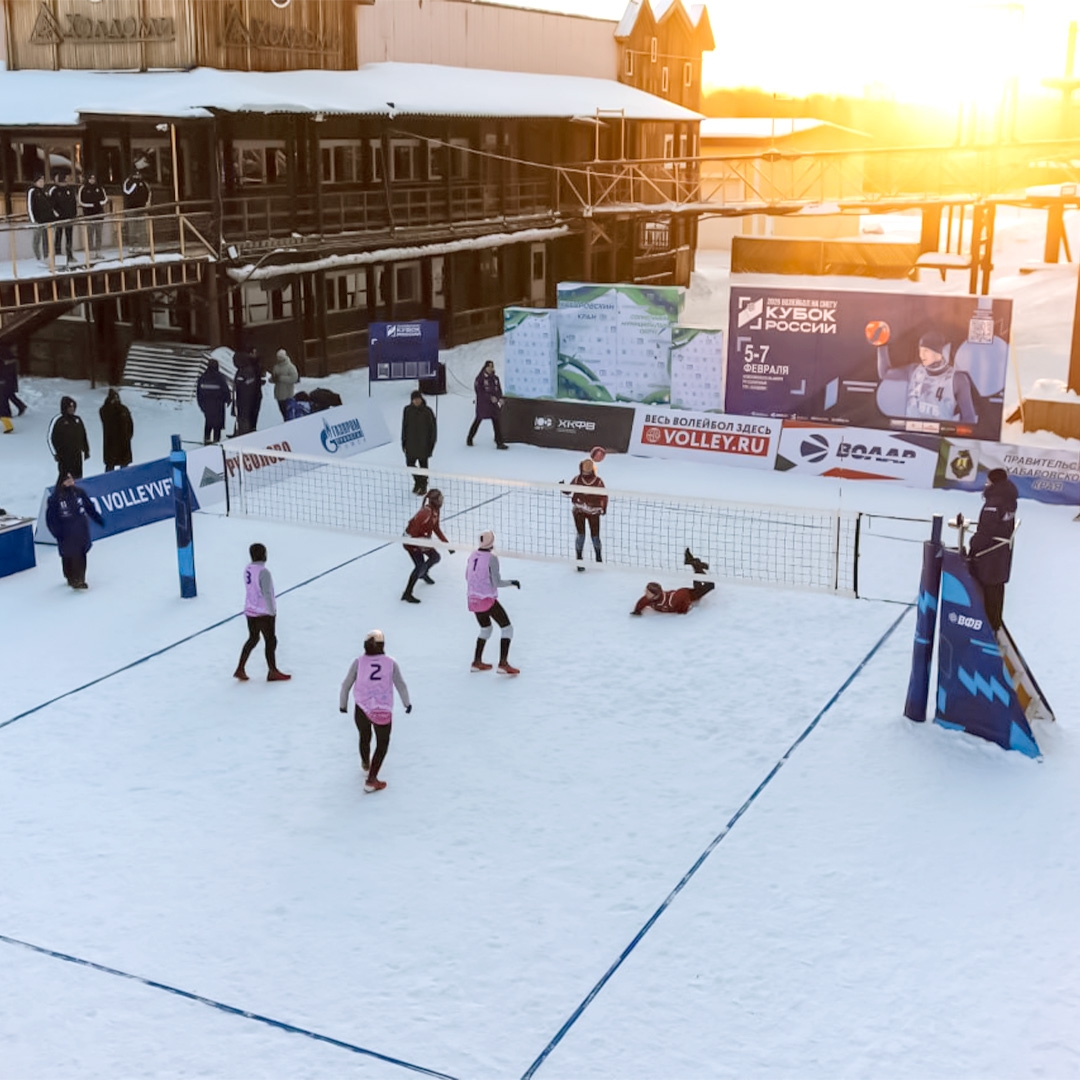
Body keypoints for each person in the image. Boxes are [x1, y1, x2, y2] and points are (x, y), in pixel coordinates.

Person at [338, 629, 412, 793]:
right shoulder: (390, 663)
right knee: (382, 743)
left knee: (364, 735)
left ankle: (365, 763)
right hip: (382, 708)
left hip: (362, 706)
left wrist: (343, 704)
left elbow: (346, 684)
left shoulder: (359, 662)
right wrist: (406, 703)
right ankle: (371, 779)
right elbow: (401, 684)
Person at [872, 325, 977, 424]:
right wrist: (881, 344)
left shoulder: (958, 379)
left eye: (926, 351)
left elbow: (969, 418)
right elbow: (884, 373)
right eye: (920, 351)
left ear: (938, 353)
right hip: (911, 435)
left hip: (940, 437)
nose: (921, 355)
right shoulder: (913, 371)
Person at [968, 467, 1018, 631]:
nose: (986, 483)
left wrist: (973, 545)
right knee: (996, 590)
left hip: (989, 557)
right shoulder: (1008, 499)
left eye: (988, 480)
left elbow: (986, 531)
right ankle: (994, 623)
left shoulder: (994, 502)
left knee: (987, 591)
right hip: (1001, 554)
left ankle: (986, 628)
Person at [234, 542, 291, 682]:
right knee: (270, 640)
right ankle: (273, 671)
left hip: (250, 610)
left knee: (253, 638)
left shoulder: (248, 569)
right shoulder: (264, 572)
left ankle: (240, 668)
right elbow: (266, 592)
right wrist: (272, 611)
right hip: (264, 612)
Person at [466, 530, 521, 674]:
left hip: (472, 600)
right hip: (486, 599)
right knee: (507, 628)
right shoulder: (492, 558)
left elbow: (467, 576)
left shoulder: (472, 555)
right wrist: (512, 582)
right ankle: (503, 664)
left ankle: (476, 662)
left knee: (486, 629)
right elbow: (496, 582)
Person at [45, 473, 104, 589]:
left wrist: (98, 518)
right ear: (62, 482)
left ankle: (79, 580)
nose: (71, 481)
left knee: (80, 555)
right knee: (69, 555)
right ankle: (70, 577)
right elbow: (51, 518)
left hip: (81, 530)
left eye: (72, 479)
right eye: (68, 480)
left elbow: (89, 507)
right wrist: (56, 532)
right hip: (66, 533)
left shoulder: (79, 492)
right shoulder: (55, 498)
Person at [631, 548, 715, 616]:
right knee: (701, 582)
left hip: (689, 595)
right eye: (646, 591)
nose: (645, 593)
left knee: (711, 585)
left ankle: (696, 565)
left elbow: (683, 597)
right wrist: (637, 611)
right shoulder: (649, 599)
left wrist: (683, 610)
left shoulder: (671, 601)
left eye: (647, 592)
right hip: (682, 595)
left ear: (655, 595)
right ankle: (695, 564)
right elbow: (641, 603)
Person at [402, 488, 451, 603]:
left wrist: (447, 544)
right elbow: (412, 527)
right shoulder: (425, 512)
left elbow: (436, 528)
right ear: (434, 501)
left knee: (435, 557)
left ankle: (423, 573)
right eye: (439, 499)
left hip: (420, 541)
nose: (442, 501)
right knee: (419, 566)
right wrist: (419, 542)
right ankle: (407, 594)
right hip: (411, 542)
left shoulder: (435, 511)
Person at [563, 457, 607, 570]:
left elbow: (567, 491)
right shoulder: (598, 482)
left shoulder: (577, 479)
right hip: (593, 512)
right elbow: (604, 496)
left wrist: (561, 486)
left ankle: (579, 560)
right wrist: (603, 509)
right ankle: (598, 559)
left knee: (581, 535)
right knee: (595, 536)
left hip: (579, 510)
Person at [402, 389, 437, 494]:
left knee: (423, 466)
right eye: (414, 399)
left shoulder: (427, 411)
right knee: (410, 464)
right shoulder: (407, 410)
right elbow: (404, 427)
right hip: (411, 444)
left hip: (424, 444)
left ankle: (423, 485)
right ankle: (418, 482)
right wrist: (403, 442)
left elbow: (433, 429)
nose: (416, 401)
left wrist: (431, 444)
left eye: (418, 399)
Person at [47, 396, 91, 480]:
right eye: (70, 407)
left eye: (73, 407)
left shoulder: (77, 420)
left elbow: (83, 436)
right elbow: (49, 438)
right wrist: (55, 454)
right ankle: (61, 492)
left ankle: (77, 492)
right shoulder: (58, 420)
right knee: (65, 477)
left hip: (77, 455)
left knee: (78, 477)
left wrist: (86, 450)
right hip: (64, 456)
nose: (72, 409)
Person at [466, 360, 507, 449]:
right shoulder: (480, 378)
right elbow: (479, 392)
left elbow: (498, 390)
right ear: (485, 367)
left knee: (496, 421)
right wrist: (489, 397)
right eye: (489, 366)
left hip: (493, 405)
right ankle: (469, 438)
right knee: (478, 421)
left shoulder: (495, 378)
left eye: (492, 366)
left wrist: (500, 398)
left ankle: (499, 442)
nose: (491, 368)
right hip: (483, 405)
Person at [196, 357, 231, 444]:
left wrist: (201, 405)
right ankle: (216, 440)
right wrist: (228, 400)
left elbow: (198, 393)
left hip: (206, 405)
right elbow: (225, 390)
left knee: (208, 422)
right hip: (218, 405)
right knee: (217, 424)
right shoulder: (219, 378)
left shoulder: (203, 377)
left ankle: (206, 439)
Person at [48, 169, 78, 266]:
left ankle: (69, 255)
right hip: (59, 218)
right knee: (58, 235)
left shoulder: (70, 189)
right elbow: (50, 204)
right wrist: (55, 214)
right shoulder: (54, 190)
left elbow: (74, 202)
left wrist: (74, 214)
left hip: (69, 217)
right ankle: (57, 254)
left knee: (69, 237)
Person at [99, 388, 133, 471]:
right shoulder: (106, 410)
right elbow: (103, 413)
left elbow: (130, 424)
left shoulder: (124, 409)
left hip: (124, 443)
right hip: (111, 443)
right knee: (110, 466)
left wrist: (128, 436)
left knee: (124, 466)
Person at [78, 171, 109, 259]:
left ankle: (98, 251)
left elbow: (105, 198)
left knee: (99, 234)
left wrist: (99, 204)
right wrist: (91, 205)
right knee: (90, 234)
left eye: (93, 179)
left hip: (99, 214)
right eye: (90, 178)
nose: (92, 180)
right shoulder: (83, 188)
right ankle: (91, 252)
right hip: (89, 215)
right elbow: (81, 201)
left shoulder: (99, 188)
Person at [27, 174, 56, 262]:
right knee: (37, 239)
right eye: (40, 181)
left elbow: (49, 205)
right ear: (36, 182)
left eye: (43, 181)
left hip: (47, 220)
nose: (42, 183)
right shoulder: (32, 191)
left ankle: (46, 256)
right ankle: (38, 257)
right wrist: (33, 220)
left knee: (46, 239)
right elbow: (29, 206)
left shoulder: (44, 192)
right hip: (38, 221)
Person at [232, 352, 263, 436]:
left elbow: (243, 387)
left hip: (244, 401)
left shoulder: (245, 371)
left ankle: (243, 434)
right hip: (246, 400)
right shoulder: (246, 370)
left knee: (244, 418)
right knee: (244, 418)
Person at [122, 164, 151, 250]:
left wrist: (147, 203)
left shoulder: (143, 183)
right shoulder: (128, 181)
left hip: (142, 208)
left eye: (138, 174)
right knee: (132, 228)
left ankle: (142, 245)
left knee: (141, 228)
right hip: (131, 209)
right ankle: (133, 245)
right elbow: (127, 191)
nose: (137, 176)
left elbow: (148, 192)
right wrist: (135, 184)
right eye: (136, 174)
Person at [270, 348, 300, 421]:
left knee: (288, 414)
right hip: (279, 395)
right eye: (278, 357)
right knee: (283, 412)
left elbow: (294, 378)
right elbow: (273, 378)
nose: (278, 359)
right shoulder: (276, 367)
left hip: (288, 395)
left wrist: (280, 378)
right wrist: (272, 379)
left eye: (280, 357)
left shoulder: (290, 367)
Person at [1, 345, 27, 417]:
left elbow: (5, 367)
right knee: (9, 395)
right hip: (7, 379)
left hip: (6, 379)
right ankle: (20, 406)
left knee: (4, 396)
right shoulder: (6, 354)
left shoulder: (4, 354)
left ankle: (6, 413)